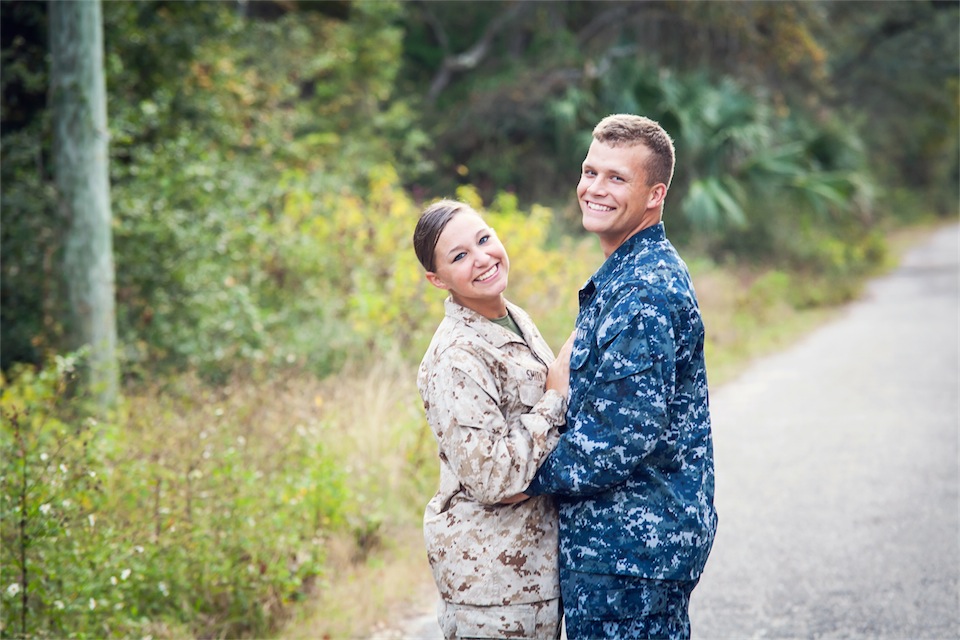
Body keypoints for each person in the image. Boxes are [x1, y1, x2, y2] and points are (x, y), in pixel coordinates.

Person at [521, 114, 718, 639]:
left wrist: (519, 479)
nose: (594, 189)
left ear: (655, 194)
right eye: (590, 172)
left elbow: (619, 437)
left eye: (616, 178)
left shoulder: (642, 294)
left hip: (630, 549)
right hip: (631, 546)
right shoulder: (629, 274)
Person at [413, 199, 573, 640]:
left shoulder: (509, 315)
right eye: (459, 256)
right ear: (437, 279)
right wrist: (553, 400)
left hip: (532, 571)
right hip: (492, 585)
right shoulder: (457, 357)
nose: (482, 258)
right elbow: (492, 479)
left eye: (484, 239)